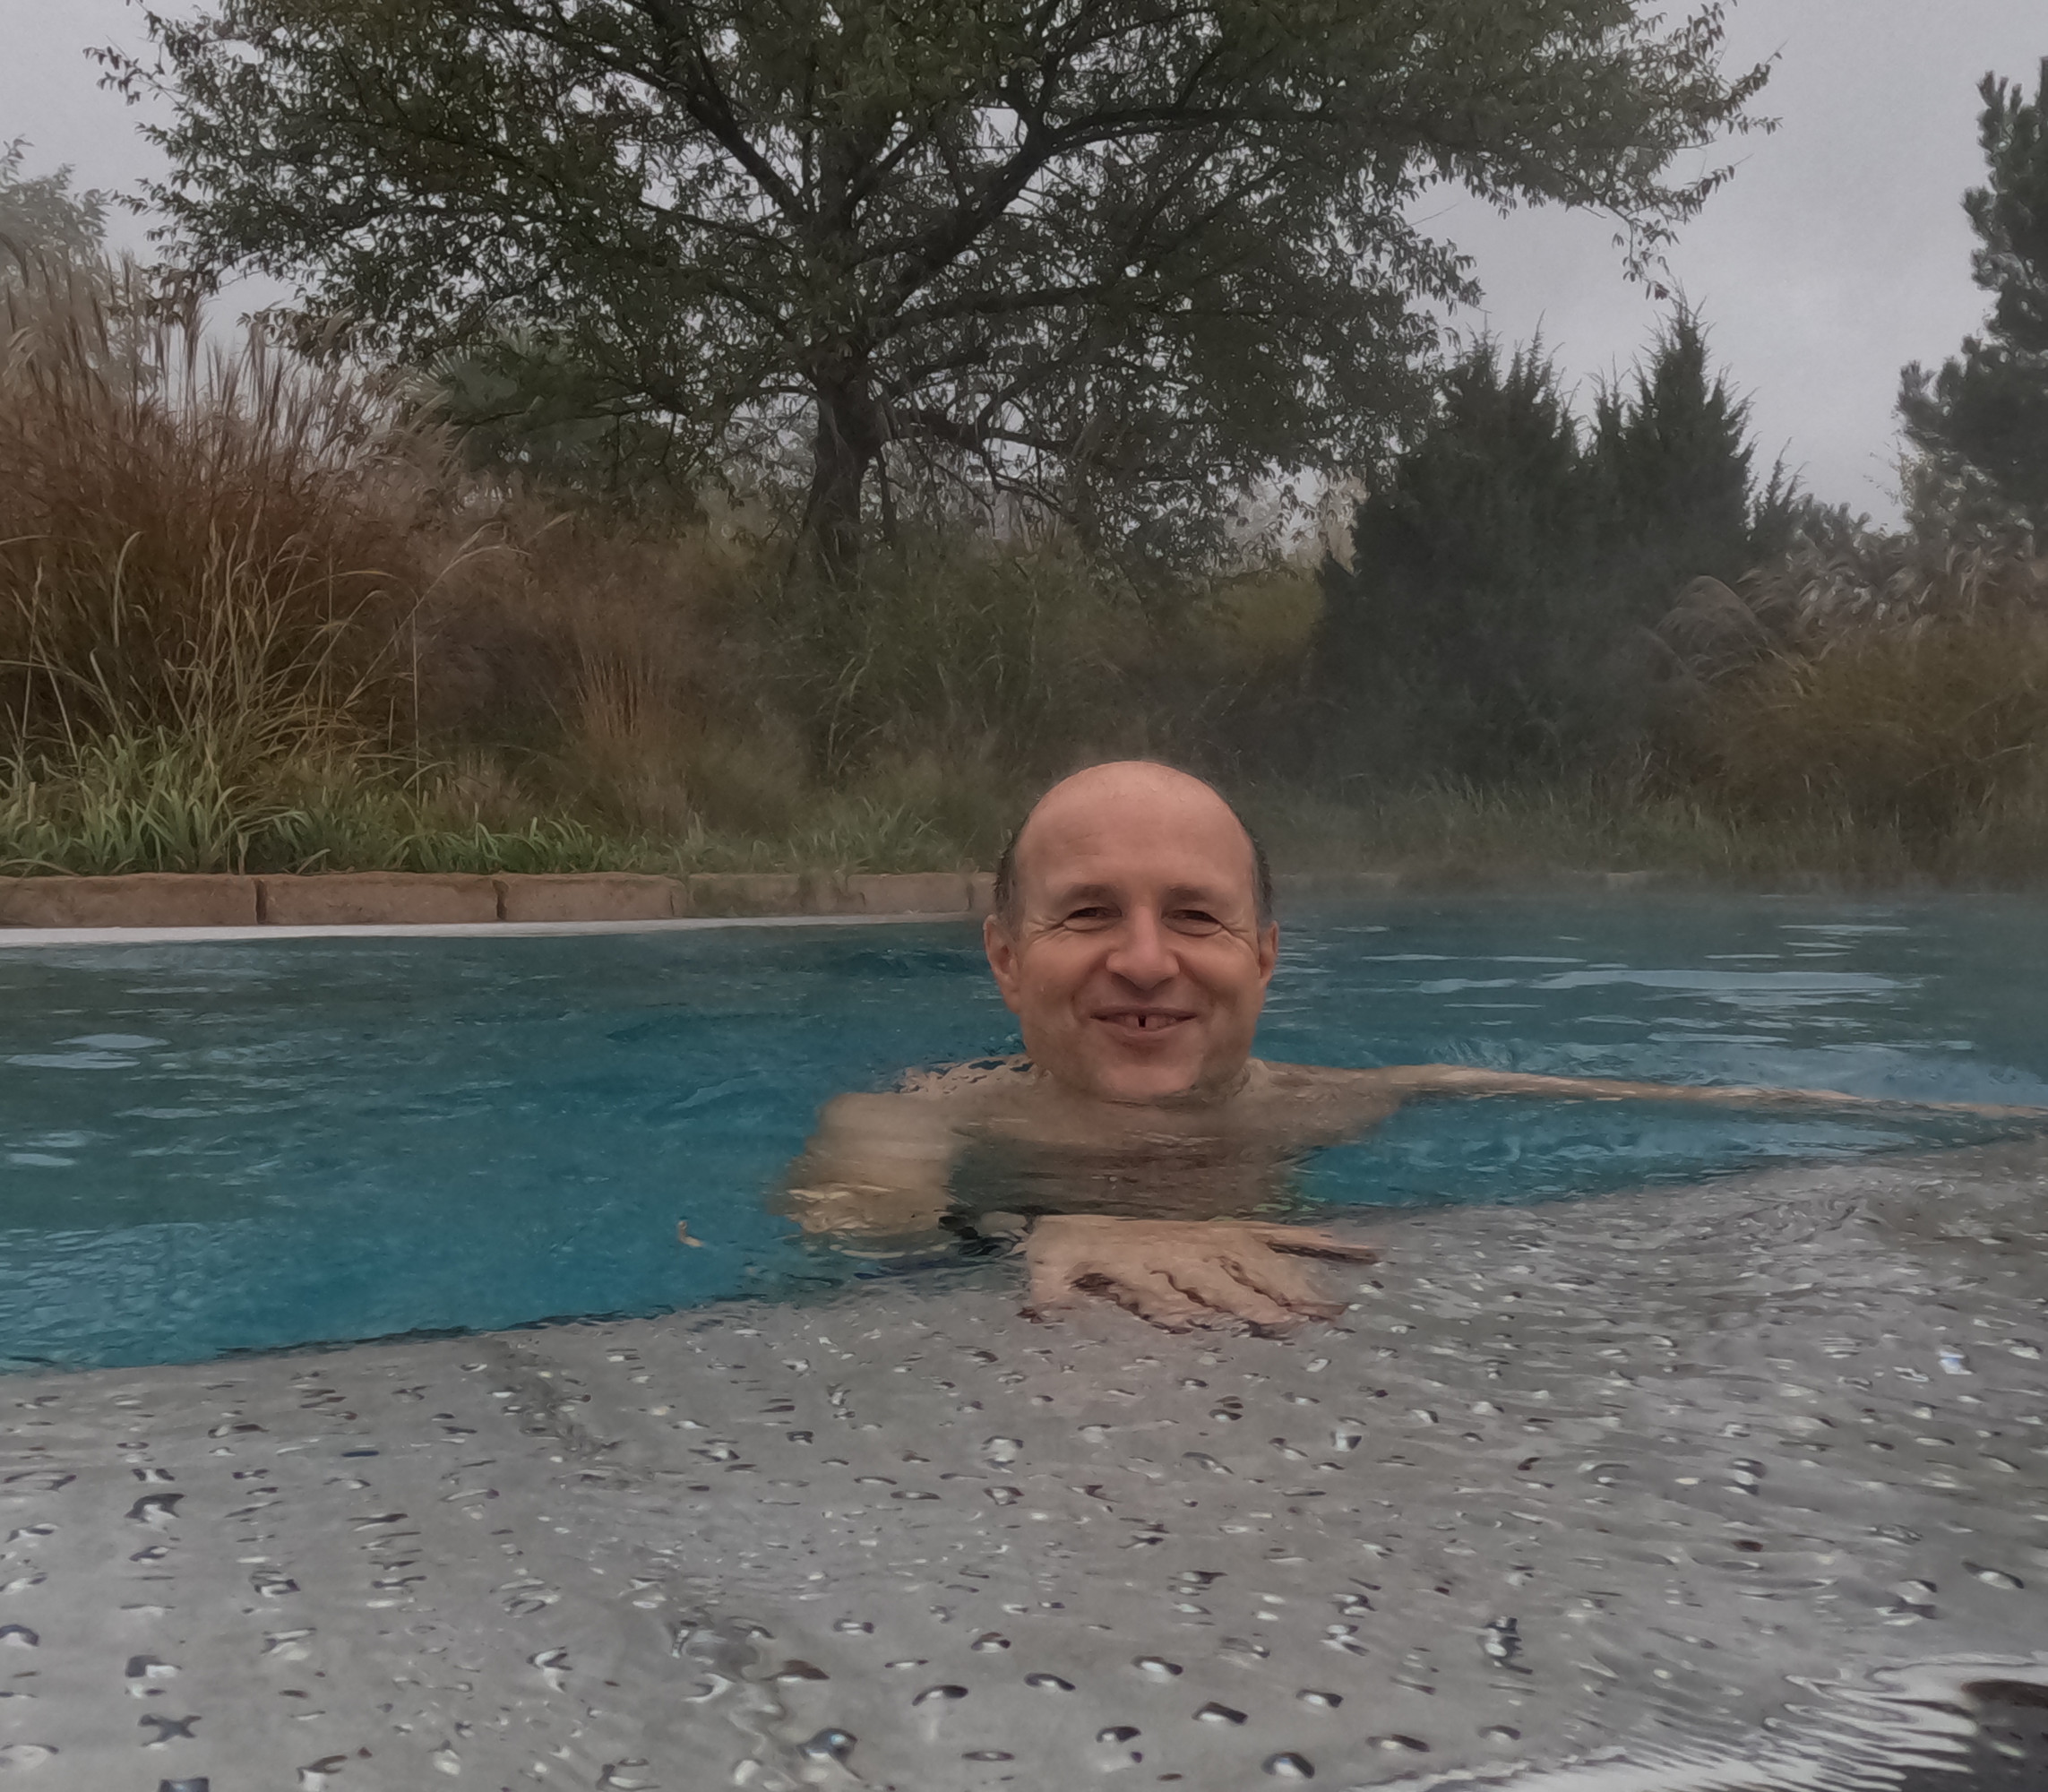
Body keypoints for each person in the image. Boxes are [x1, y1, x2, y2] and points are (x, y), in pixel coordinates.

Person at [783, 761, 2032, 1332]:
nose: (1148, 960)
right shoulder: (925, 1118)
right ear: (1007, 957)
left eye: (1197, 917)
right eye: (1090, 913)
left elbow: (1680, 1100)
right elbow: (849, 1217)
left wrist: (1984, 1128)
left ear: (1264, 955)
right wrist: (1036, 1226)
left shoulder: (1331, 1102)